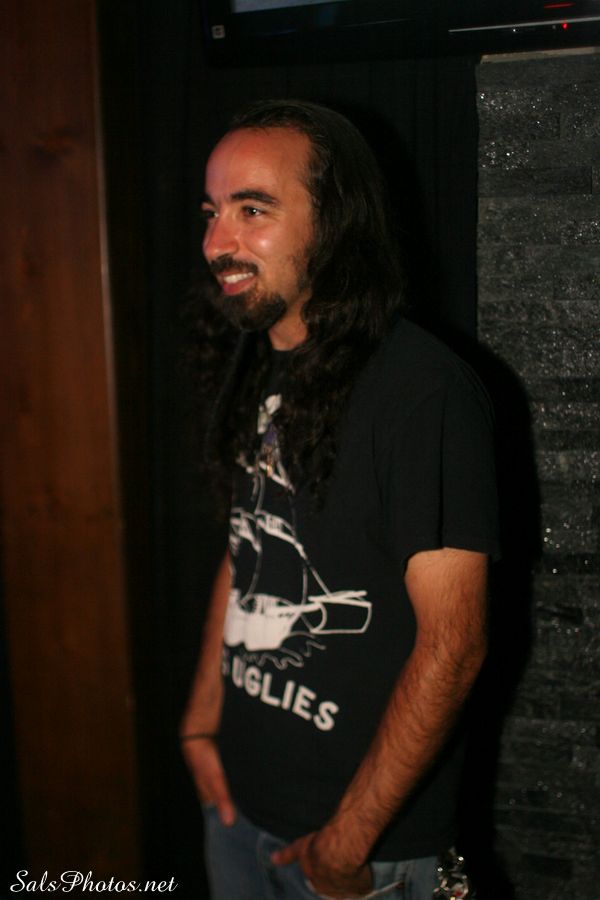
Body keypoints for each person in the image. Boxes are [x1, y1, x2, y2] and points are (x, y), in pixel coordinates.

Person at [180, 99, 499, 900]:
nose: (218, 243)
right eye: (212, 212)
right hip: (238, 810)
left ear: (335, 222)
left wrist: (348, 843)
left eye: (253, 210)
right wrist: (200, 720)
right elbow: (246, 542)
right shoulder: (260, 356)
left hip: (356, 855)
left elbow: (454, 645)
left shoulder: (421, 392)